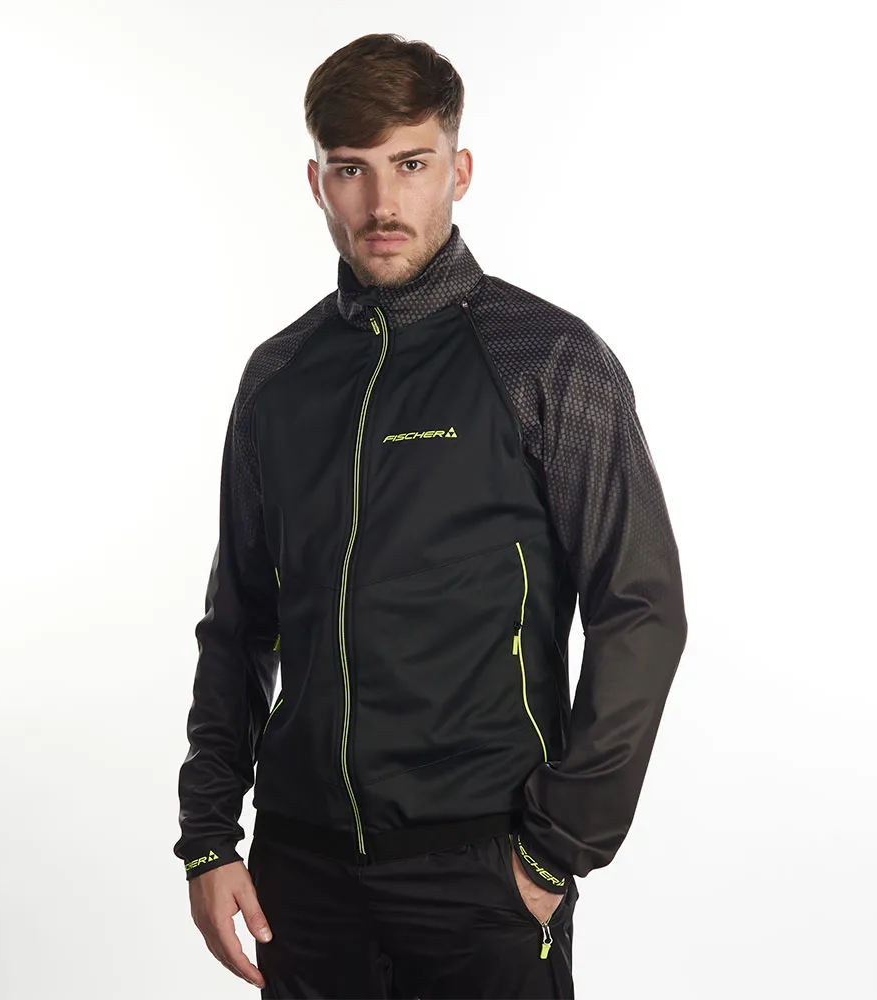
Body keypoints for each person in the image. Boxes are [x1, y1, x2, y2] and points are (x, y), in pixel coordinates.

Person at [173, 31, 687, 1000]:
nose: (382, 203)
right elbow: (238, 621)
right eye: (351, 169)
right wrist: (208, 837)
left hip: (482, 873)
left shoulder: (546, 361)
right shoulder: (279, 378)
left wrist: (555, 849)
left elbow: (642, 610)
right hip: (300, 875)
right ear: (317, 183)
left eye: (410, 165)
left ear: (459, 170)